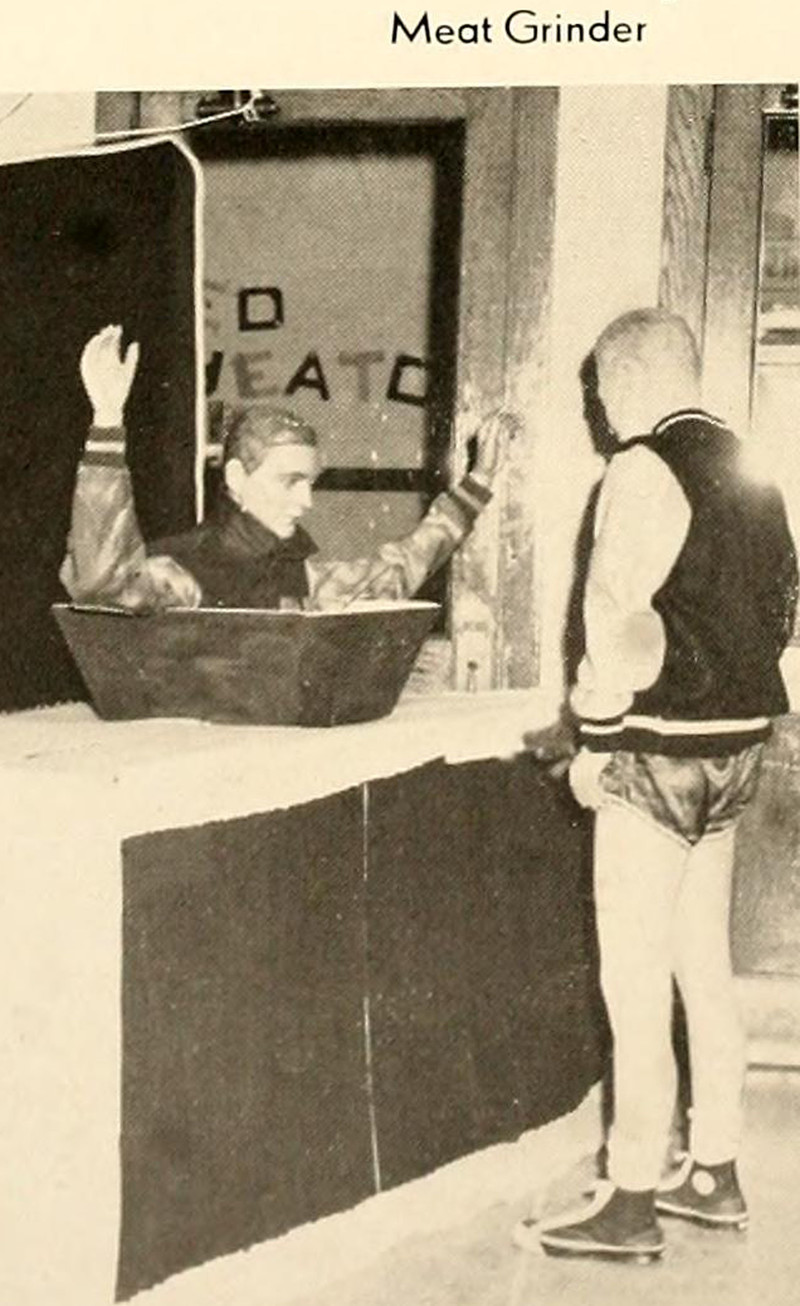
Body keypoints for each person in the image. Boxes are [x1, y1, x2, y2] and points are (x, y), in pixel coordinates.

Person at [515, 308, 798, 1263]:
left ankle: (630, 1197)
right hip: (736, 751)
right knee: (701, 967)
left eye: (599, 389)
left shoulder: (642, 468)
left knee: (633, 980)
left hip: (656, 752)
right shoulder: (754, 468)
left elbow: (616, 622)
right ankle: (714, 1170)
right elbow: (784, 611)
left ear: (628, 379)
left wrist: (595, 740)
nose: (599, 411)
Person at [61, 325, 509, 611]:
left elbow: (392, 575)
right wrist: (106, 421)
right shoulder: (184, 568)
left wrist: (477, 485)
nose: (306, 501)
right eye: (290, 481)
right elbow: (103, 584)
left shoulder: (297, 571)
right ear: (236, 478)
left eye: (309, 483)